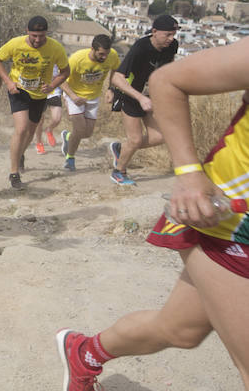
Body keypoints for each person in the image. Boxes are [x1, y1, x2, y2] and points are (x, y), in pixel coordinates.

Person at [56, 37, 249, 390]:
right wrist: (189, 173)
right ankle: (116, 162)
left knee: (180, 329)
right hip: (228, 221)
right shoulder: (131, 51)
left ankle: (84, 353)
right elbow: (165, 81)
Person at [0, 16, 70, 189]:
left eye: (41, 36)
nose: (37, 40)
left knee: (30, 131)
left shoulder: (55, 48)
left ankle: (20, 154)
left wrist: (52, 86)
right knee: (21, 128)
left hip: (39, 95)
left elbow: (66, 71)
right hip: (18, 90)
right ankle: (14, 173)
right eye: (34, 35)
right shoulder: (15, 43)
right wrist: (8, 82)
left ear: (46, 34)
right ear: (27, 32)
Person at [107, 14, 180, 185]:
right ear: (154, 31)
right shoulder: (141, 47)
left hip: (152, 98)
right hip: (132, 96)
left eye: (173, 34)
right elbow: (117, 78)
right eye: (167, 34)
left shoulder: (172, 46)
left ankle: (121, 149)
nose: (171, 39)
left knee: (159, 137)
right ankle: (119, 171)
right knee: (136, 139)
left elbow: (168, 68)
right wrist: (139, 97)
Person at [57, 34, 120, 171]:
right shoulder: (77, 59)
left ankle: (68, 136)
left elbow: (115, 70)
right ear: (92, 48)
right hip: (75, 96)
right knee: (79, 129)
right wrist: (72, 96)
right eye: (101, 54)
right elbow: (61, 79)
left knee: (87, 133)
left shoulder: (112, 55)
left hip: (93, 97)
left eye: (107, 54)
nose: (104, 57)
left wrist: (111, 88)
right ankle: (70, 159)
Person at [34, 69, 63, 154]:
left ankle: (49, 129)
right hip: (38, 91)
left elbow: (64, 73)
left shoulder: (58, 56)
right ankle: (39, 142)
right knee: (39, 120)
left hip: (54, 90)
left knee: (57, 118)